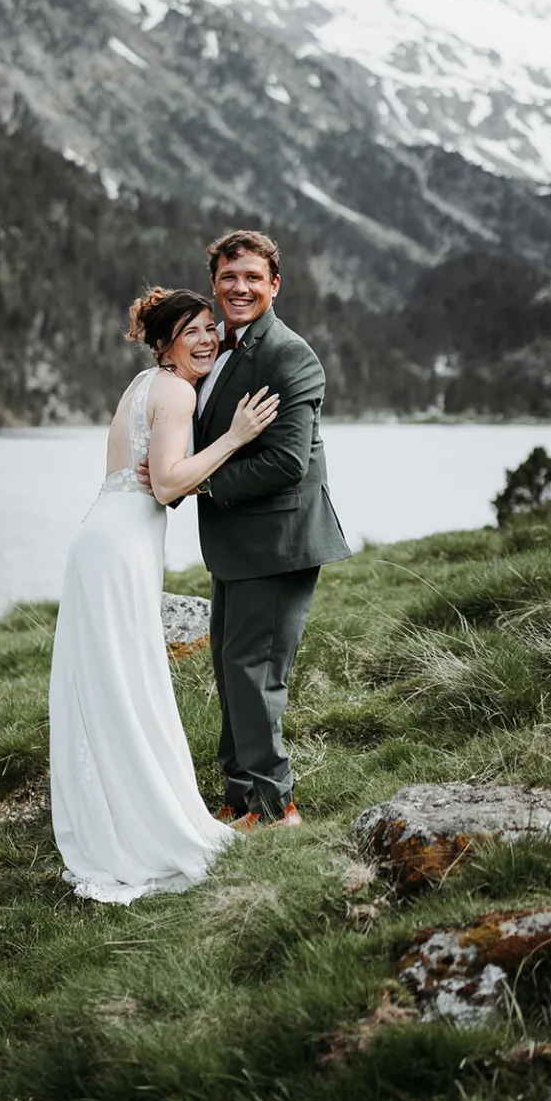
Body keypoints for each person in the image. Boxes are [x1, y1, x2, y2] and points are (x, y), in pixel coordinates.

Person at [48, 285, 280, 904]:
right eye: (194, 331)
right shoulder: (177, 391)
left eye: (212, 328)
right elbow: (166, 483)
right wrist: (234, 436)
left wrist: (178, 473)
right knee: (129, 684)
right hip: (121, 546)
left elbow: (147, 473)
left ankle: (109, 820)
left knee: (105, 683)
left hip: (98, 536)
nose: (208, 339)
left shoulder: (141, 385)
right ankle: (144, 825)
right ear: (165, 343)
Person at [154, 230, 352, 831]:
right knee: (231, 669)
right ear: (214, 281)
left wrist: (201, 483)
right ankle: (241, 800)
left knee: (257, 675)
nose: (239, 287)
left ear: (274, 285)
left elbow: (287, 463)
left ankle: (273, 809)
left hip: (278, 543)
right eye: (228, 277)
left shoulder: (287, 354)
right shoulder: (222, 346)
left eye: (252, 278)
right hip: (241, 546)